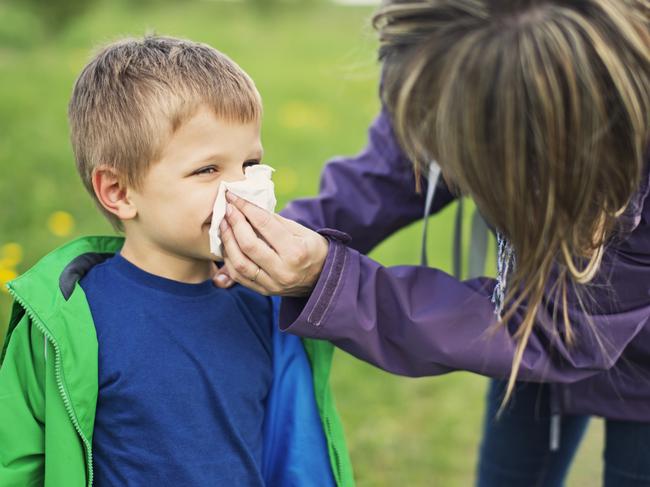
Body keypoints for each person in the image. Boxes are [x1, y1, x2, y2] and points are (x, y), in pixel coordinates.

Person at [213, 1, 650, 484]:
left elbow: (556, 334)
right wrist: (279, 237)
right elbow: (394, 168)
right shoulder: (458, 59)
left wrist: (332, 282)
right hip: (533, 309)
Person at [0, 35, 353, 487]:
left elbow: (294, 451)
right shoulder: (66, 319)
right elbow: (18, 462)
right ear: (119, 192)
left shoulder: (267, 306)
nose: (241, 189)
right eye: (208, 170)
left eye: (249, 164)